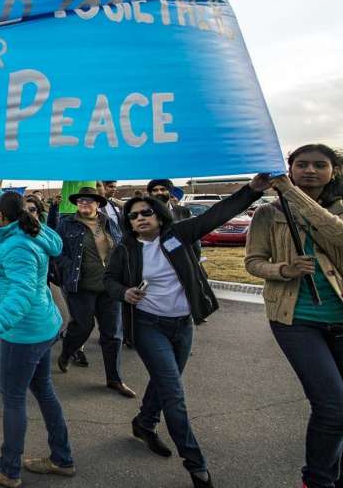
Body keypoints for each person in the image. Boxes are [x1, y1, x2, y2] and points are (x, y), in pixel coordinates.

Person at [105, 174, 270, 488]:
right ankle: (196, 465)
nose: (139, 218)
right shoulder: (125, 249)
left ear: (159, 214)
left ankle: (144, 422)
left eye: (145, 212)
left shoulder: (177, 235)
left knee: (166, 382)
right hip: (147, 325)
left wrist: (251, 190)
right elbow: (109, 281)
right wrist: (124, 292)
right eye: (133, 215)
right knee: (174, 395)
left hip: (182, 325)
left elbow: (215, 214)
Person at [245, 144, 343, 488]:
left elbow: (337, 235)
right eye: (301, 165)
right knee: (333, 406)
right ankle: (317, 480)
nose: (310, 171)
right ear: (290, 167)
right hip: (295, 318)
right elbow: (253, 261)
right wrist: (283, 268)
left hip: (339, 315)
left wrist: (291, 193)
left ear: (334, 171)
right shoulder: (268, 214)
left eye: (320, 165)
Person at [0, 191, 73, 486]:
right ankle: (61, 457)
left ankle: (8, 469)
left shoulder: (18, 245)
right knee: (43, 389)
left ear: (0, 216)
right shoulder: (32, 231)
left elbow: (22, 293)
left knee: (14, 399)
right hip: (42, 326)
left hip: (23, 332)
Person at [54, 187, 132, 397]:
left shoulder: (109, 222)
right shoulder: (66, 224)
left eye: (89, 201)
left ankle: (114, 379)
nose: (84, 204)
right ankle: (67, 352)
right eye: (80, 201)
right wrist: (67, 266)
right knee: (82, 326)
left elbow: (121, 247)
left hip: (109, 288)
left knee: (113, 334)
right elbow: (56, 252)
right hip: (81, 287)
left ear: (98, 204)